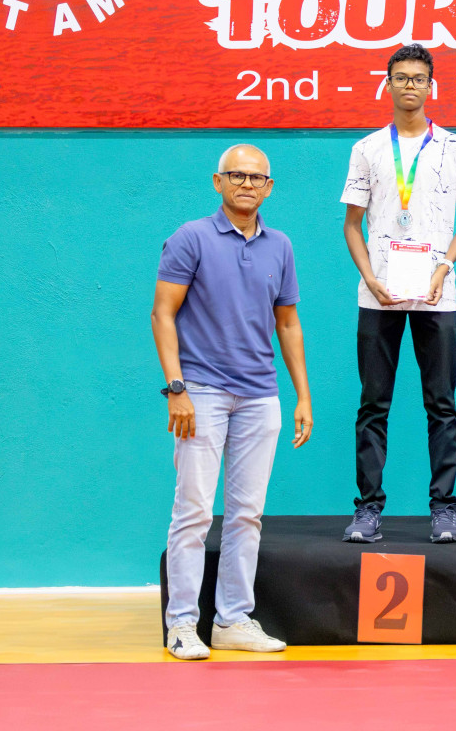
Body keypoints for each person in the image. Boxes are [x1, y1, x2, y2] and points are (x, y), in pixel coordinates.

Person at [153, 144, 313, 661]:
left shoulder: (281, 246)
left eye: (257, 178)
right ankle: (181, 624)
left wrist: (302, 395)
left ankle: (233, 620)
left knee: (247, 513)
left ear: (269, 188)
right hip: (200, 392)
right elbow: (162, 314)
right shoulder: (191, 238)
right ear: (217, 182)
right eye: (236, 175)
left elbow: (287, 323)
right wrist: (177, 389)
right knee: (194, 512)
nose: (247, 184)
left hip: (260, 395)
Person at [341, 43, 456, 545]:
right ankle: (367, 511)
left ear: (430, 85)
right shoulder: (367, 149)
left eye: (418, 78)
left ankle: (443, 510)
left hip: (435, 294)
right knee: (373, 404)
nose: (409, 86)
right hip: (377, 295)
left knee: (441, 403)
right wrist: (369, 275)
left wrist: (443, 266)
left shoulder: (454, 148)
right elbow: (351, 226)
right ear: (388, 83)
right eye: (400, 77)